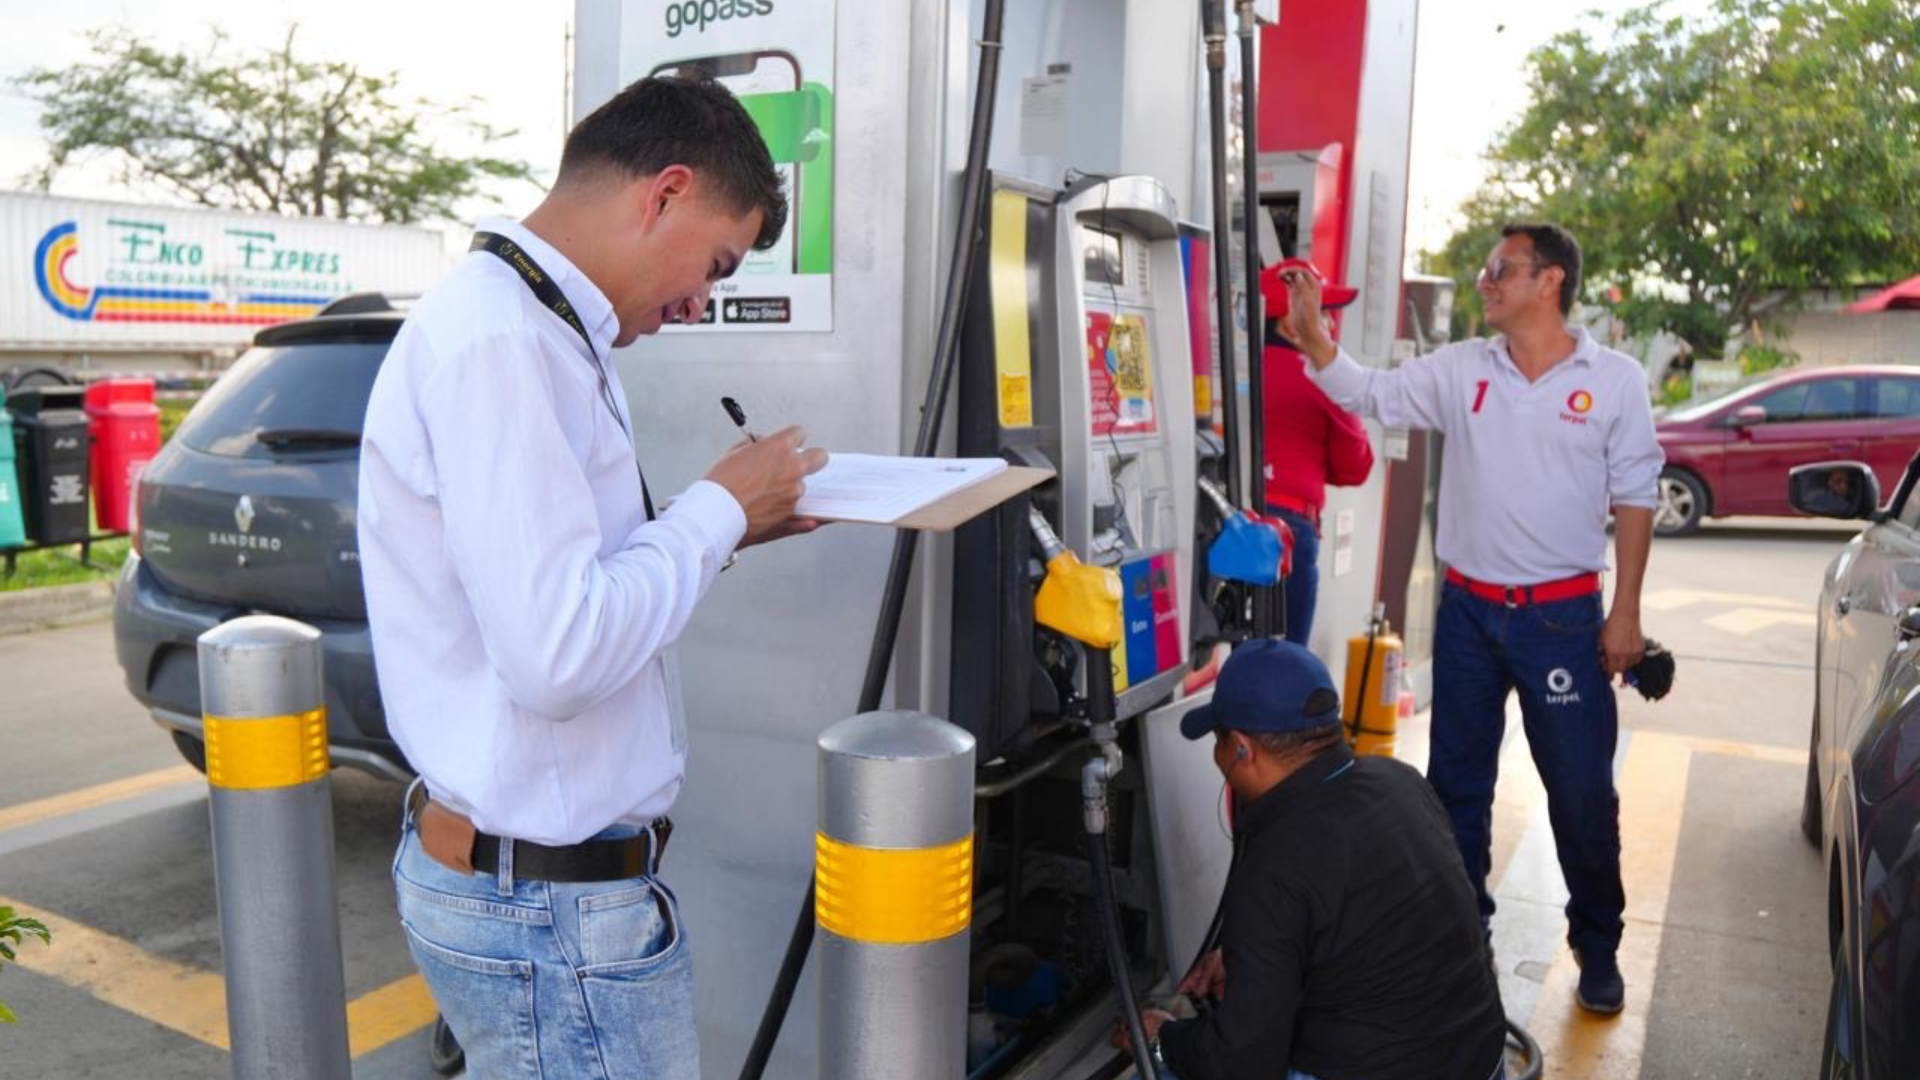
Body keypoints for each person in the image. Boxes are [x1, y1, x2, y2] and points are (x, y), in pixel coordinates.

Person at [357, 75, 827, 1080]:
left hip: (542, 904)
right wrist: (715, 511)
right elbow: (560, 656)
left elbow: (567, 584)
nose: (699, 303)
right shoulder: (504, 341)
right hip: (547, 916)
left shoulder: (535, 325)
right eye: (715, 264)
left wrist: (728, 527)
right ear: (665, 193)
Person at [1276, 223, 1664, 1015]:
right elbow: (1372, 393)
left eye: (1501, 269)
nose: (1485, 280)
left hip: (1561, 621)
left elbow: (1636, 495)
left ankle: (1597, 945)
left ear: (1549, 281)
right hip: (1467, 617)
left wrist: (1624, 612)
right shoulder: (1463, 368)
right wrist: (1314, 339)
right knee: (1455, 790)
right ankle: (1461, 940)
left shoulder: (1615, 380)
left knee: (1581, 794)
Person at [1121, 639, 1507, 1080]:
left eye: (1219, 742)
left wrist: (1162, 1037)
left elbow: (1241, 1065)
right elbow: (1366, 920)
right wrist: (1250, 958)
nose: (1218, 757)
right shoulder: (1401, 780)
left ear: (1243, 748)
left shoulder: (1274, 864)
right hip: (1483, 1063)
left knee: (1156, 1070)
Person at [1256, 258, 1375, 644]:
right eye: (1322, 313)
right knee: (1287, 660)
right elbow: (1355, 467)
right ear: (1292, 323)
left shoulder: (1231, 367)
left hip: (1227, 523)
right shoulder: (1320, 377)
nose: (1331, 326)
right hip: (1289, 531)